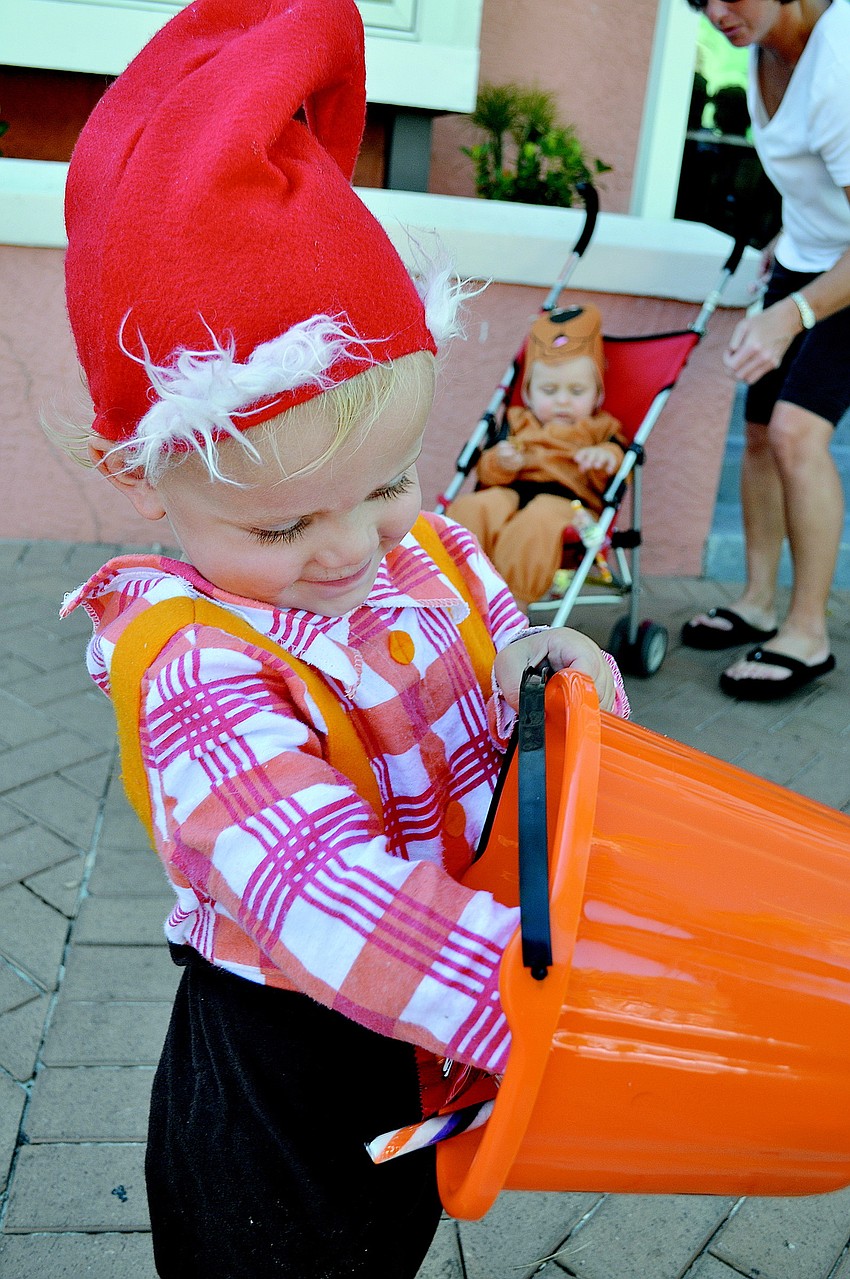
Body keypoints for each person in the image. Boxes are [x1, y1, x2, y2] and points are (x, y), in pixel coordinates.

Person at [55, 1, 629, 1275]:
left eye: (385, 483)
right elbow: (318, 892)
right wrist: (547, 995)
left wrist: (540, 666)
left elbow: (491, 650)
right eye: (286, 519)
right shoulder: (191, 660)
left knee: (387, 1243)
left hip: (422, 1035)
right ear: (143, 474)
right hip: (280, 1077)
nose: (352, 548)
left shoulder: (420, 548)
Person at [681, 0, 850, 700]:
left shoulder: (838, 61)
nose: (716, 12)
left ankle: (807, 633)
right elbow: (816, 176)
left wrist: (795, 313)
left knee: (795, 432)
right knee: (756, 434)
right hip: (809, 255)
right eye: (700, 1)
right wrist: (790, 242)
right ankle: (756, 601)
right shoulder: (762, 51)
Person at [448, 305, 628, 611]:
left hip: (568, 502)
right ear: (528, 394)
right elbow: (487, 471)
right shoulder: (519, 421)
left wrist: (604, 456)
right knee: (473, 506)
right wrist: (501, 463)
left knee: (536, 522)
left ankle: (511, 603)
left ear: (597, 394)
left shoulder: (600, 428)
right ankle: (456, 586)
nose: (562, 399)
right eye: (549, 389)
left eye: (576, 390)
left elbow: (619, 458)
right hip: (513, 490)